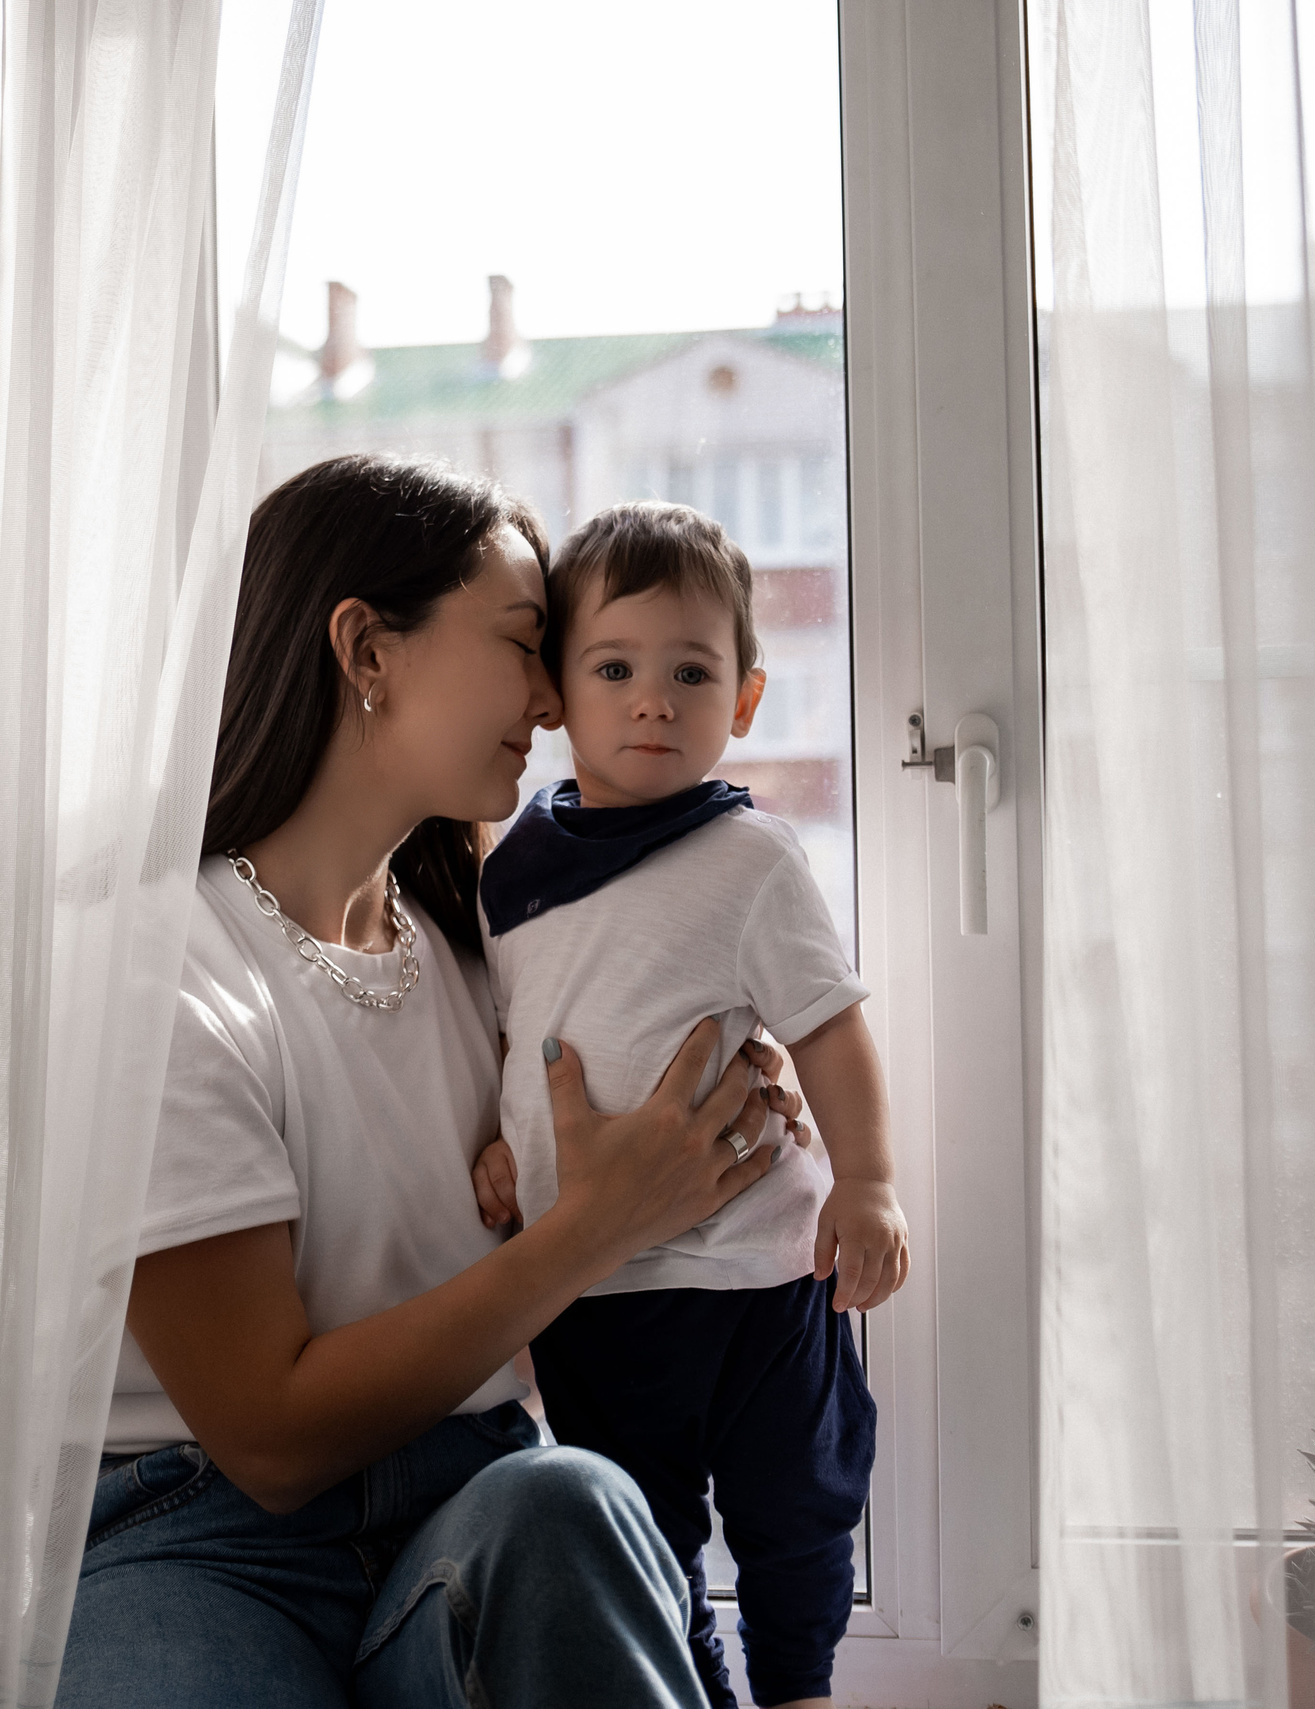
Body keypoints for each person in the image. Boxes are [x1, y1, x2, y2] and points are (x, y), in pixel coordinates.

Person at [60, 454, 812, 1709]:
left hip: (476, 1491)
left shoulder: (484, 940)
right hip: (196, 1528)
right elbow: (271, 1435)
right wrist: (593, 1226)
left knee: (574, 1498)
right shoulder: (157, 968)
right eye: (528, 643)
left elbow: (654, 1090)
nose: (553, 695)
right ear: (366, 648)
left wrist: (733, 1082)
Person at [465, 502, 910, 1709]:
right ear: (557, 690)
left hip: (758, 1271)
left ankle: (798, 1686)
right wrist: (499, 1144)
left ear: (746, 701)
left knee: (794, 1504)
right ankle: (689, 1683)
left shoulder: (749, 857)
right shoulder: (509, 870)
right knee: (638, 1524)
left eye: (690, 671)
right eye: (614, 668)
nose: (651, 699)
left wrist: (866, 1180)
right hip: (597, 1288)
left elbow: (827, 1024)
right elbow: (513, 1032)